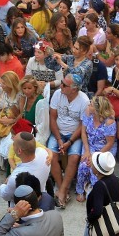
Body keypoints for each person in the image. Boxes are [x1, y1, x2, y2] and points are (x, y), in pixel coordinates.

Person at [48, 74, 91, 208]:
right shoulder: (57, 94)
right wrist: (60, 139)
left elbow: (82, 125)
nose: (60, 85)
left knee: (74, 157)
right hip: (58, 133)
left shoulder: (84, 100)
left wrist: (70, 142)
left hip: (74, 135)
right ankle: (62, 188)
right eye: (61, 83)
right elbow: (52, 118)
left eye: (64, 85)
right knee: (51, 155)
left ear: (74, 89)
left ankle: (62, 190)